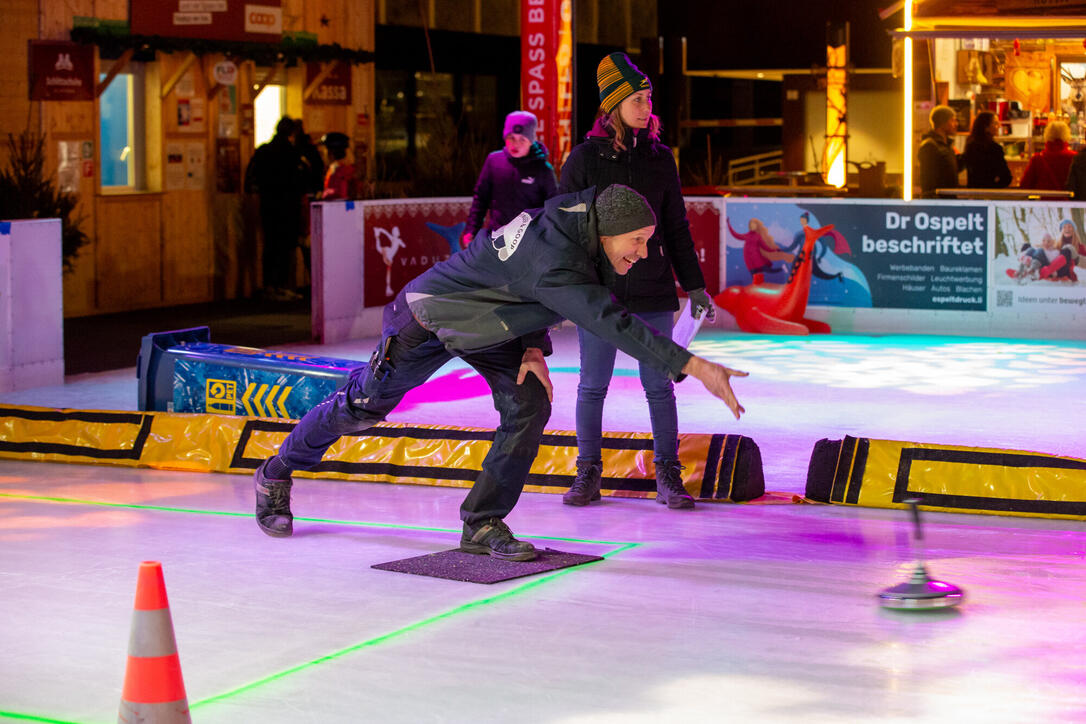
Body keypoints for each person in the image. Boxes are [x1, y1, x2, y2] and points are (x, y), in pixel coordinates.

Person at [252, 184, 748, 561]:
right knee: (361, 408)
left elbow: (530, 287)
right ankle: (275, 472)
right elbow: (605, 318)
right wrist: (694, 364)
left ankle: (483, 523)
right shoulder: (557, 253)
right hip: (431, 316)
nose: (641, 253)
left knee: (529, 402)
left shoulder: (579, 222)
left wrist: (532, 346)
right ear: (606, 230)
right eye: (637, 241)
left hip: (496, 326)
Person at [557, 52, 716, 510]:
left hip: (650, 289)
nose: (647, 108)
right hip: (598, 293)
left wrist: (696, 286)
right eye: (638, 100)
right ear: (613, 105)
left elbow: (676, 227)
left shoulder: (661, 160)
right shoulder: (584, 160)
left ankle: (668, 471)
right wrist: (570, 288)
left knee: (658, 385)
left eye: (649, 99)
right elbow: (564, 226)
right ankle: (588, 471)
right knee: (593, 384)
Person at [462, 110, 558, 248]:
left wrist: (550, 239)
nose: (515, 144)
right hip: (497, 239)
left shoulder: (543, 169)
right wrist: (471, 230)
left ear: (531, 141)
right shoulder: (494, 161)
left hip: (530, 242)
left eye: (522, 139)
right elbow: (480, 199)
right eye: (511, 138)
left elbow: (553, 207)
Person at [245, 116, 307, 301]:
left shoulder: (264, 150)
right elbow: (300, 179)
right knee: (286, 247)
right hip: (288, 206)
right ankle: (282, 285)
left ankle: (268, 285)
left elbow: (252, 176)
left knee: (270, 245)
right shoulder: (292, 153)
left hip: (268, 205)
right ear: (291, 133)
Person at [917, 105, 962, 198]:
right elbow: (927, 179)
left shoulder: (946, 145)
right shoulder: (930, 146)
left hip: (947, 199)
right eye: (952, 120)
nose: (956, 124)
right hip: (939, 201)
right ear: (943, 123)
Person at [1020, 121, 1076, 190]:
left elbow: (1025, 185)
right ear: (1067, 135)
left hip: (1044, 199)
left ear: (1047, 135)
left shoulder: (1037, 159)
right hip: (1067, 200)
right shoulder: (1074, 158)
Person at [962, 111, 1012, 189]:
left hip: (973, 193)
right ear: (986, 128)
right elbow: (1006, 178)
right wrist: (994, 188)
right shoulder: (995, 149)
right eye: (995, 123)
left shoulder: (970, 146)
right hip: (989, 194)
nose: (999, 126)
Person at [320, 132, 356, 200]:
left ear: (330, 153)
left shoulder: (339, 170)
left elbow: (341, 193)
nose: (323, 156)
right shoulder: (336, 168)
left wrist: (325, 193)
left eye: (324, 152)